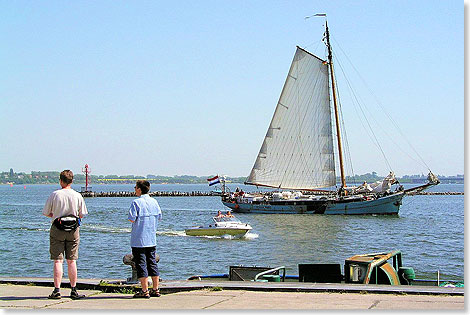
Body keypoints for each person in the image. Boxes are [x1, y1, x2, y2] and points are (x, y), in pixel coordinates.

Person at [42, 170, 88, 300]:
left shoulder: (55, 195)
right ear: (72, 181)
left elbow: (46, 212)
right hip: (73, 230)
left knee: (58, 260)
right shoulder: (77, 195)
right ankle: (73, 290)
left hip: (57, 228)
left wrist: (55, 215)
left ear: (61, 181)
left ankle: (57, 290)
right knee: (72, 260)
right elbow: (82, 214)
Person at [128, 180, 162, 298]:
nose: (134, 189)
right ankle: (156, 289)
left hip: (139, 239)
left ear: (139, 189)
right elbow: (159, 217)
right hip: (151, 238)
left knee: (141, 264)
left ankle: (144, 290)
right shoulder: (154, 202)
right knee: (152, 263)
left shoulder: (136, 202)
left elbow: (132, 219)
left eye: (135, 187)